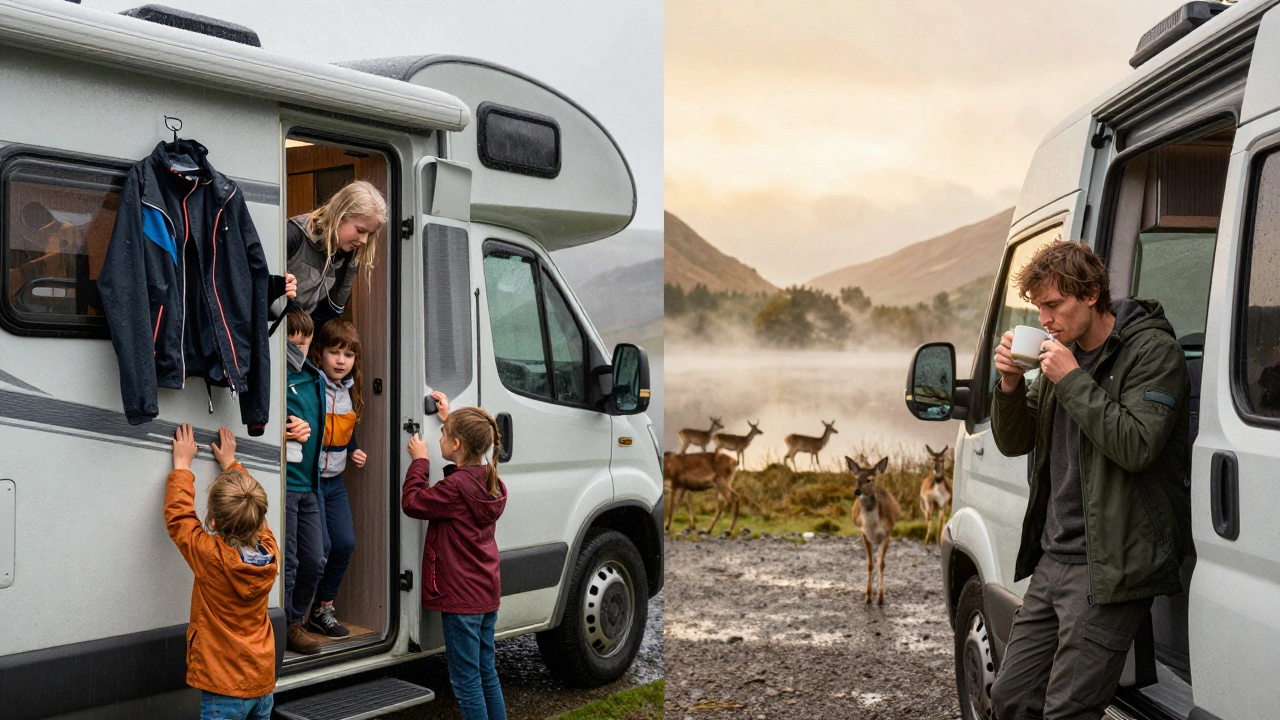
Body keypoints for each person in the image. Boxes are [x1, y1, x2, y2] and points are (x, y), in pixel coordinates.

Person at [988, 240, 1192, 719]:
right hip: (1054, 557)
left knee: (1068, 711)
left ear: (1092, 293)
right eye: (1039, 308)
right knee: (1010, 696)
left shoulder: (1153, 352)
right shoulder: (1064, 356)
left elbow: (1137, 446)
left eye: (1054, 305)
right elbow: (1016, 442)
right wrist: (1010, 385)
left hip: (1109, 564)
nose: (1045, 320)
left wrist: (1072, 378)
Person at [401, 398, 509, 720]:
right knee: (486, 672)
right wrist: (447, 419)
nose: (438, 440)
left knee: (465, 682)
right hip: (486, 594)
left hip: (462, 600)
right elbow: (463, 466)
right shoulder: (489, 479)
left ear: (457, 443)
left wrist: (419, 462)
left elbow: (413, 502)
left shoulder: (454, 488)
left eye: (444, 434)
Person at [166, 424, 278, 720]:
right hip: (261, 686)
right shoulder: (270, 553)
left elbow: (180, 518)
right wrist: (231, 464)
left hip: (224, 690)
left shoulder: (211, 557)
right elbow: (255, 512)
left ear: (213, 522)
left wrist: (181, 466)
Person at [305, 319, 368, 638]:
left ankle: (322, 608)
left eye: (349, 355)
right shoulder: (310, 384)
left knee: (344, 544)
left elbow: (342, 431)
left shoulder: (350, 390)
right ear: (319, 355)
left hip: (335, 482)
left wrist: (353, 449)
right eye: (334, 352)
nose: (342, 361)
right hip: (311, 481)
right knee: (321, 546)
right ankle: (296, 610)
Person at [287, 180, 387, 329]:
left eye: (370, 234)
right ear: (339, 216)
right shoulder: (293, 235)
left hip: (303, 337)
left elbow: (330, 312)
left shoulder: (348, 254)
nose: (364, 240)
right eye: (360, 230)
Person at [283, 308, 326, 655]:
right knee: (289, 563)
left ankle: (296, 618)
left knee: (316, 559)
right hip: (284, 485)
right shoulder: (275, 376)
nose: (298, 351)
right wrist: (287, 426)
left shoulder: (315, 377)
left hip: (310, 485)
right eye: (291, 344)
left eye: (305, 344)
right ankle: (284, 628)